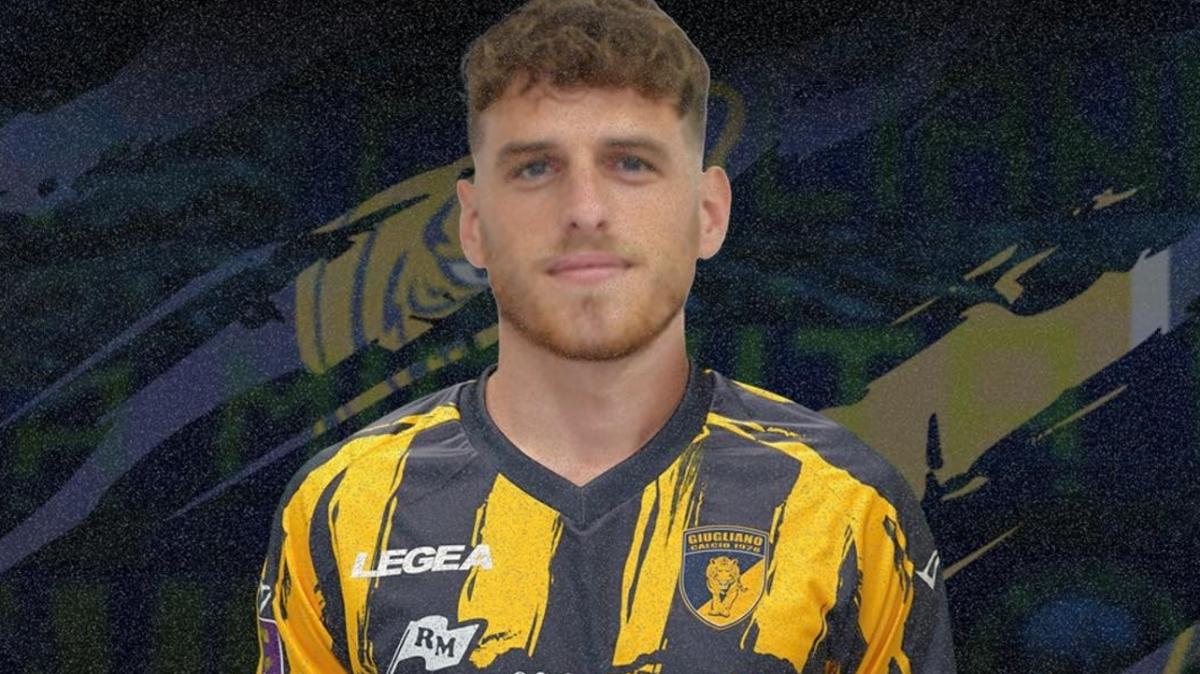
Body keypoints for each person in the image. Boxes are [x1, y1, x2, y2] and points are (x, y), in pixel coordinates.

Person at [256, 0, 957, 672]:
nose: (585, 210)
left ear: (709, 213)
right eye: (535, 168)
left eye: (631, 164)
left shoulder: (844, 505)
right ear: (473, 225)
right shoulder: (345, 508)